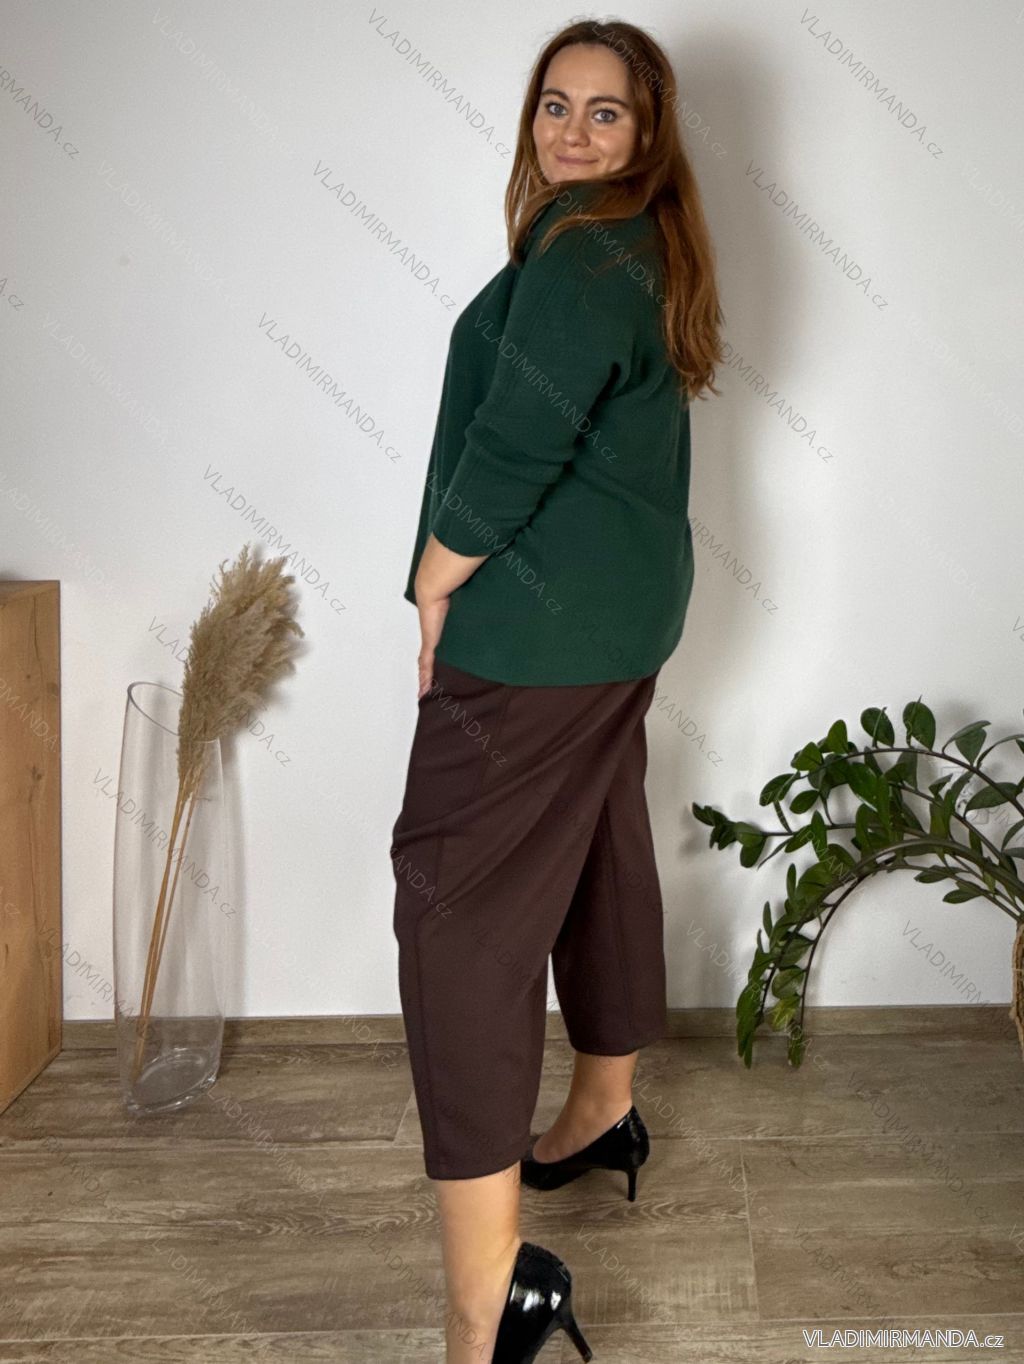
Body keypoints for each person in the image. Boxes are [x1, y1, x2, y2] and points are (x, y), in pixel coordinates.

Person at [390, 18, 723, 1363]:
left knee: (454, 909)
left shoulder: (587, 255)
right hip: (624, 614)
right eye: (555, 105)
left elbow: (516, 439)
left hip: (541, 630)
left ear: (648, 134)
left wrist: (433, 580)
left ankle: (488, 1300)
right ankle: (603, 1104)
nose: (574, 132)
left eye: (606, 112)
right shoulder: (629, 240)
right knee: (593, 840)